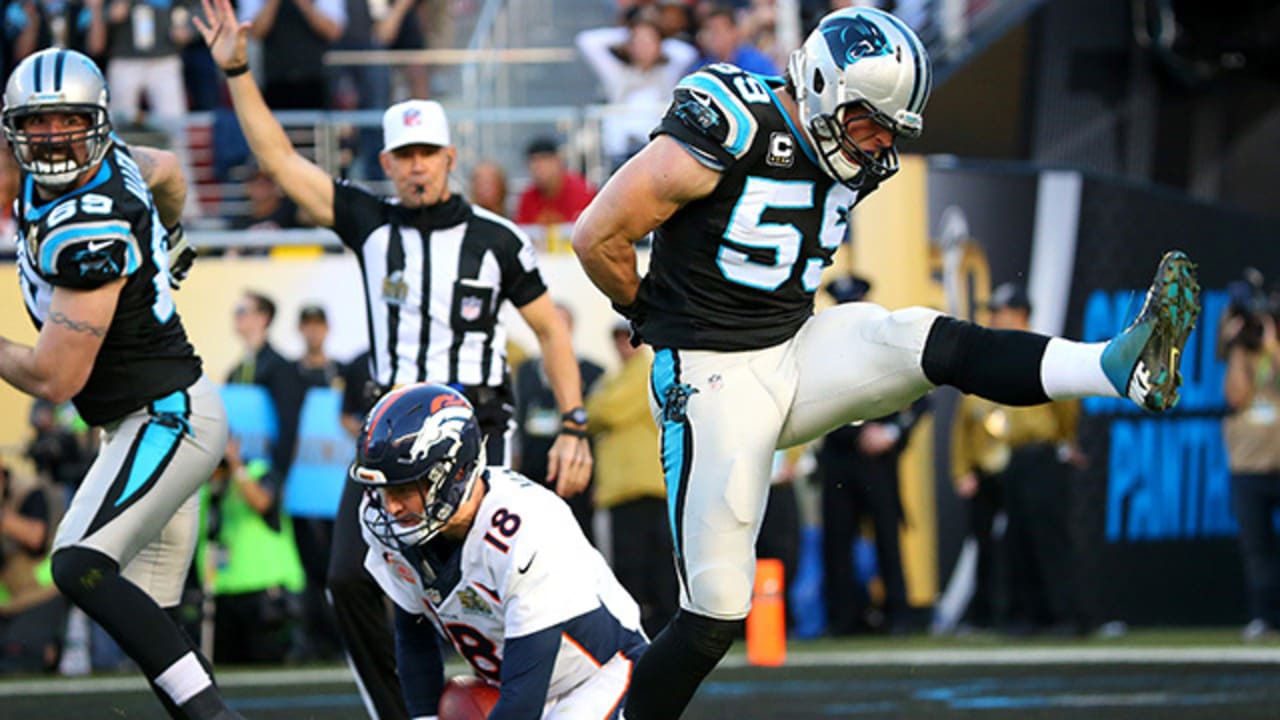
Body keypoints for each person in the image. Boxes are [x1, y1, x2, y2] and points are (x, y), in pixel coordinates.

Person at [569, 7, 1201, 717]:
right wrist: (658, 322)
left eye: (892, 129)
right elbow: (598, 235)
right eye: (868, 121)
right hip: (710, 374)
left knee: (926, 338)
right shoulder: (733, 120)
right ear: (815, 83)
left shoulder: (851, 147)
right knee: (715, 615)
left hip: (792, 348)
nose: (877, 143)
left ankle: (1118, 367)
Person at [196, 2, 594, 717]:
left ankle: (523, 697)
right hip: (386, 436)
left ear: (450, 157)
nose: (415, 168)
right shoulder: (370, 223)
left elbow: (551, 333)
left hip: (479, 434)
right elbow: (280, 160)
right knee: (350, 577)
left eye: (426, 155)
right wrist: (235, 69)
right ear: (386, 163)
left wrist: (573, 421)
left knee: (488, 582)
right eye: (402, 156)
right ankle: (398, 710)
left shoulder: (499, 239)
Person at [0, 48, 240, 718]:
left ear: (95, 120)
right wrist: (169, 241)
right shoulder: (118, 159)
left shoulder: (89, 223)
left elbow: (54, 377)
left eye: (67, 120)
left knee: (77, 563)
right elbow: (165, 172)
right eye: (36, 123)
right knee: (156, 634)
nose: (51, 138)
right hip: (146, 419)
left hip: (165, 419)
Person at [351, 383, 648, 718]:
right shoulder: (391, 525)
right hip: (510, 684)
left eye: (404, 488)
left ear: (457, 473)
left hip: (601, 676)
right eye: (383, 490)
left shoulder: (526, 528)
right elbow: (414, 636)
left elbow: (522, 704)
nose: (390, 508)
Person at [818, 274, 927, 636]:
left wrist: (893, 431)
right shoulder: (821, 346)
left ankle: (899, 612)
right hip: (838, 454)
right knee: (838, 539)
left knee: (886, 534)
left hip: (877, 458)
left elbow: (922, 395)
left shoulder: (889, 340)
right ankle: (844, 617)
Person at [587, 319, 677, 637]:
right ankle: (646, 629)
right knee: (631, 567)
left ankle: (660, 629)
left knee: (654, 567)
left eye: (630, 338)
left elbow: (603, 411)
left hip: (648, 485)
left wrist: (594, 408)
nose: (625, 345)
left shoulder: (643, 372)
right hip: (623, 489)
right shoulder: (616, 378)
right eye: (620, 339)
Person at [1221, 270, 1280, 641]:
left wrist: (1272, 345)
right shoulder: (1241, 351)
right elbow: (1237, 397)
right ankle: (1265, 616)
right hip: (1248, 464)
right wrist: (1235, 348)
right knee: (1257, 549)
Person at [513, 302, 604, 540]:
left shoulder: (593, 372)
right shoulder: (525, 371)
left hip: (573, 468)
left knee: (577, 533)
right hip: (534, 469)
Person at [0, 463, 64, 673]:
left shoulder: (30, 491)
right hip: (11, 596)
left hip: (42, 590)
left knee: (19, 656)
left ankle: (46, 650)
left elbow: (35, 537)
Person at [513, 137, 596, 226]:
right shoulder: (527, 198)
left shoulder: (582, 191)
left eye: (544, 160)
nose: (540, 168)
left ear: (558, 161)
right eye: (534, 163)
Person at [693, 4, 779, 75]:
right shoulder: (703, 67)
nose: (713, 36)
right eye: (709, 31)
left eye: (718, 30)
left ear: (734, 31)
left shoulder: (756, 62)